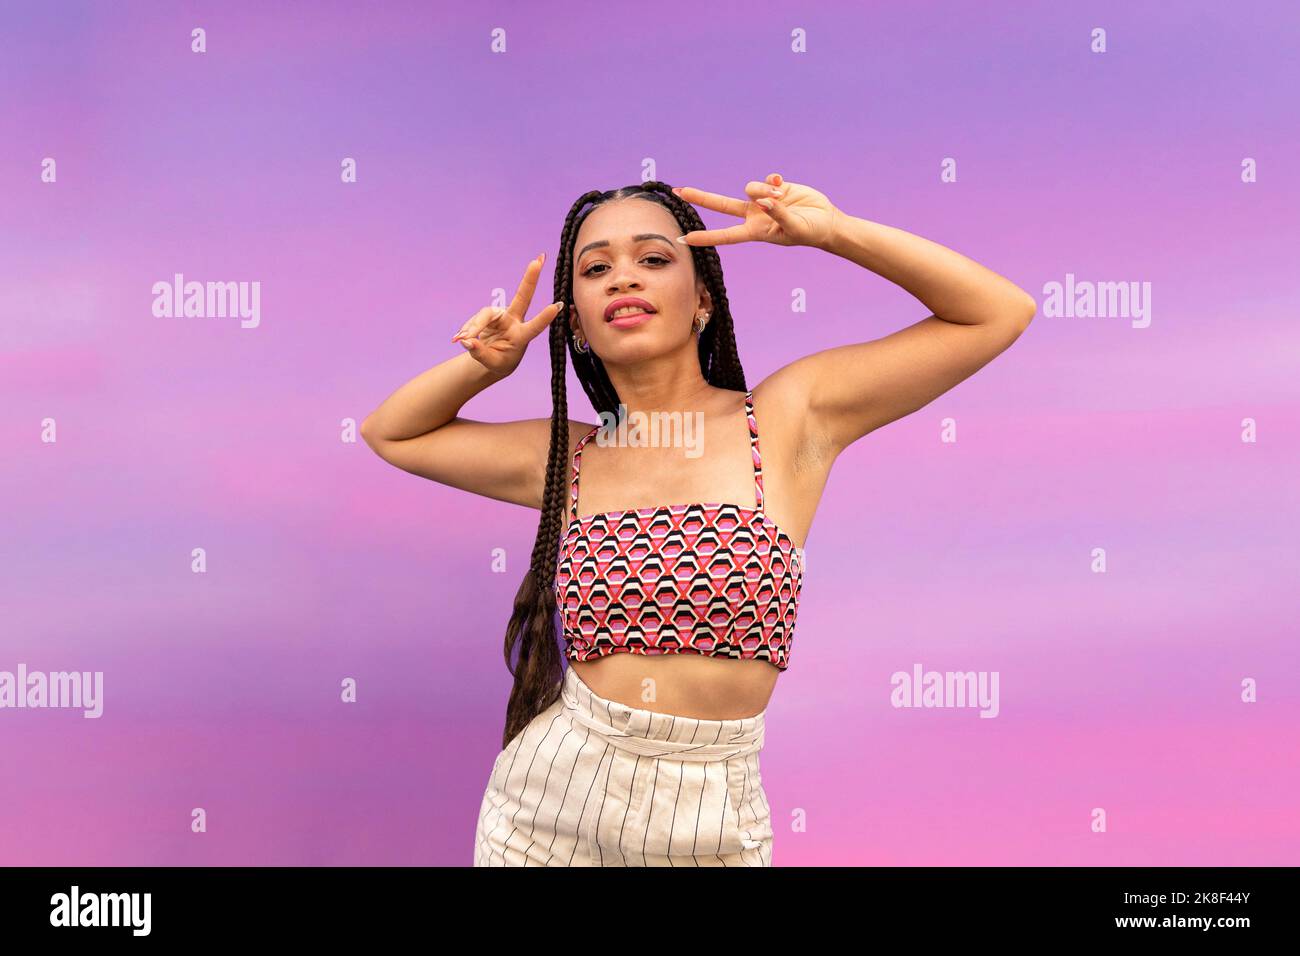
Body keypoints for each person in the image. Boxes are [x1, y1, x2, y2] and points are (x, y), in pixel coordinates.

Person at [360, 174, 1037, 866]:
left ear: (702, 300)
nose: (624, 278)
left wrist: (832, 232)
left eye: (653, 259)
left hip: (716, 814)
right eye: (596, 269)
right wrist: (483, 370)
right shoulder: (566, 457)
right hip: (549, 811)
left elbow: (997, 313)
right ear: (577, 326)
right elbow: (393, 434)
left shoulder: (785, 418)